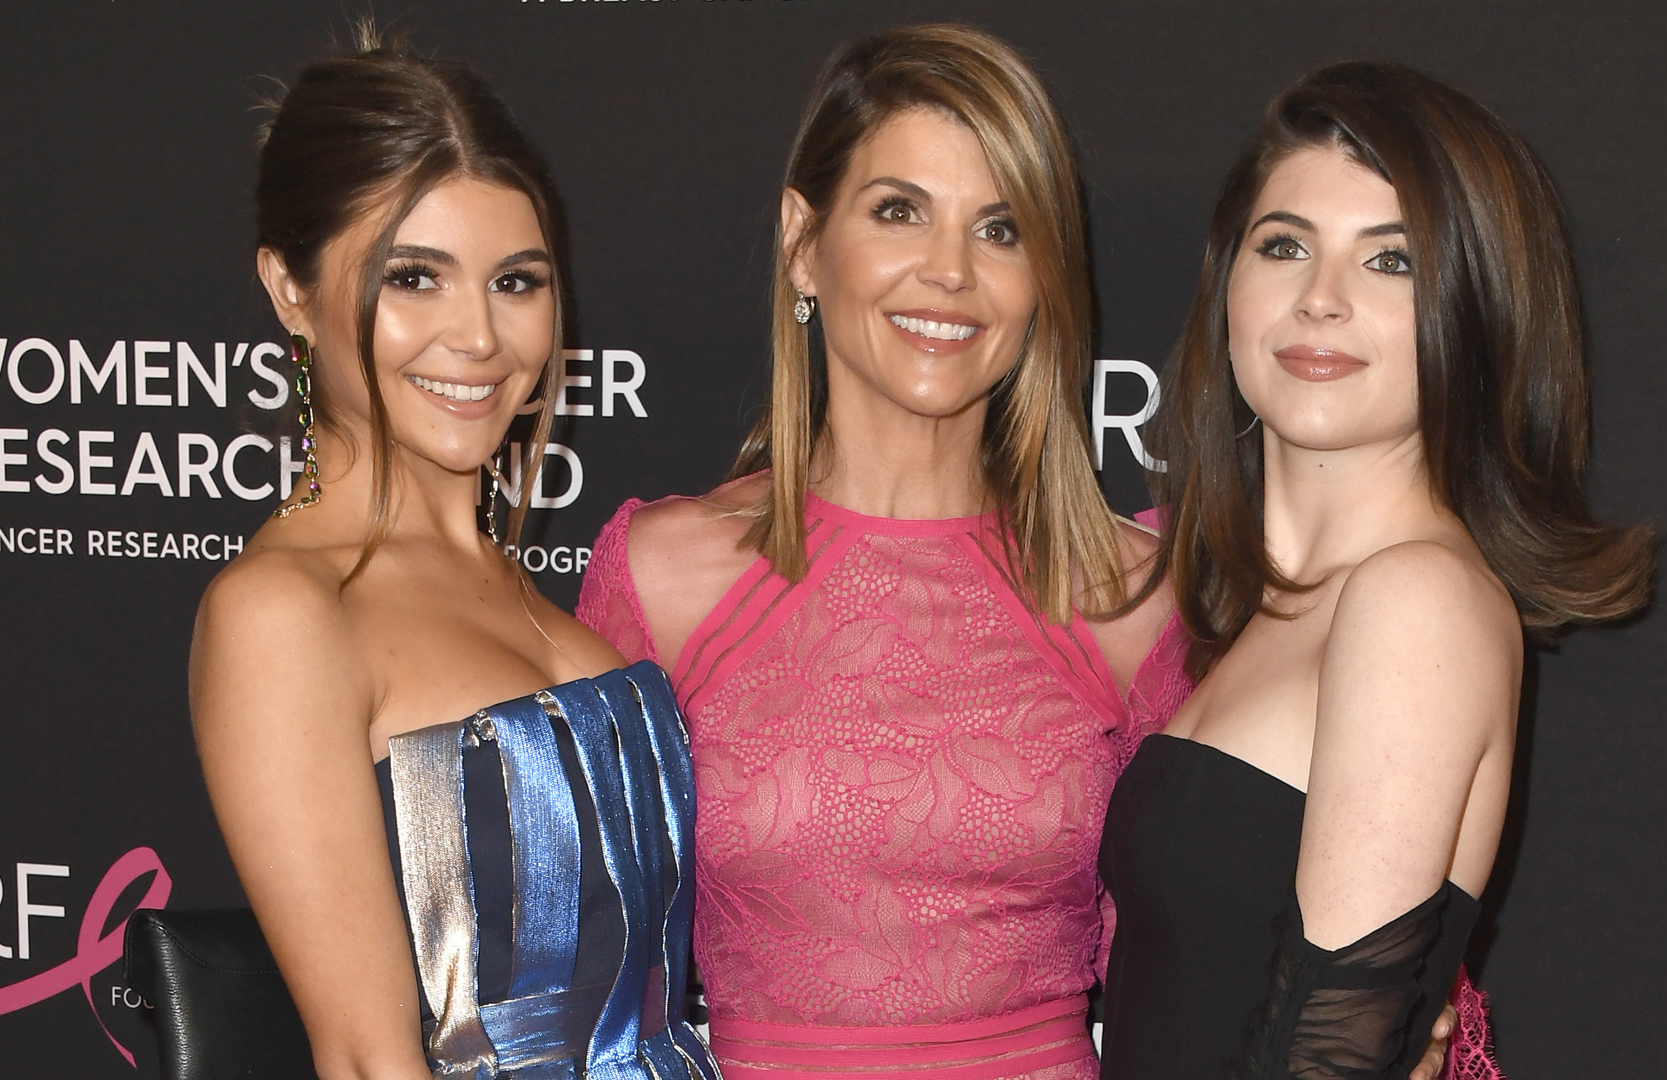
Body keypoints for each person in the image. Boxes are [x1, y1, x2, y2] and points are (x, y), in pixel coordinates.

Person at [576, 26, 1462, 1080]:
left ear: (1042, 276)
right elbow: (587, 985)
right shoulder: (662, 577)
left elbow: (1223, 934)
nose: (948, 271)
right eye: (899, 211)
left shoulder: (1132, 594)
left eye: (1000, 229)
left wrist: (1402, 1024)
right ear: (804, 240)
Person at [1097, 61, 1655, 1080]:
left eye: (1390, 263)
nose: (1321, 299)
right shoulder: (1251, 611)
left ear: (1473, 314)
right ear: (1229, 279)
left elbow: (1327, 1063)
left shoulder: (1415, 600)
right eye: (1284, 246)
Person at [190, 33, 715, 1080]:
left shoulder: (518, 587)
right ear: (289, 291)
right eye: (415, 278)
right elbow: (366, 1057)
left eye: (516, 281)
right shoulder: (285, 613)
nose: (478, 337)